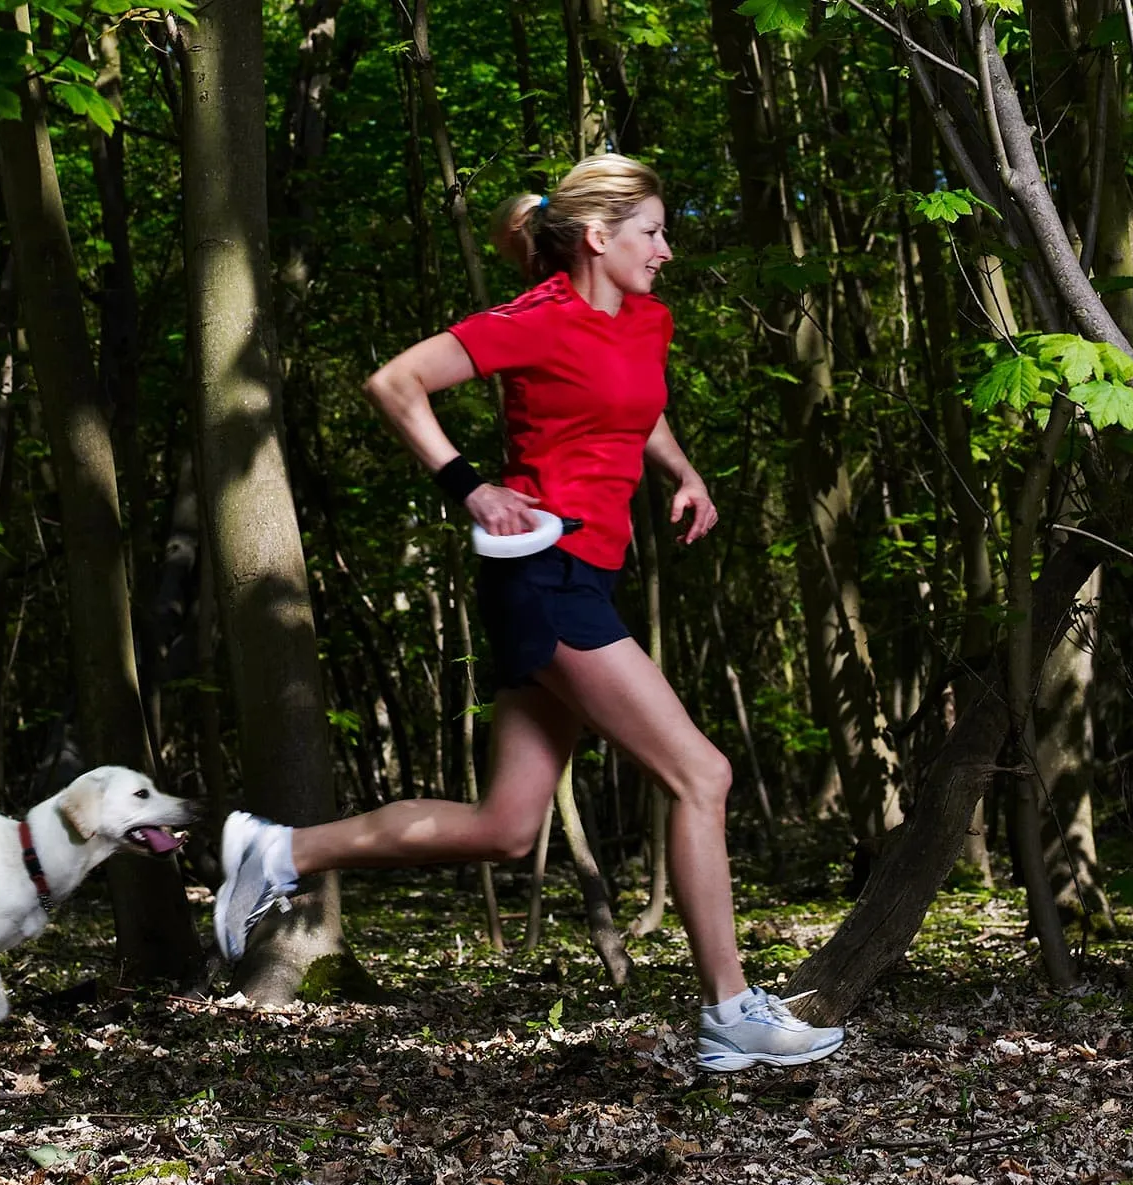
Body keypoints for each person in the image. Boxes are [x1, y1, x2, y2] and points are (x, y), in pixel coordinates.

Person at [214, 154, 844, 1073]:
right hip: (544, 574)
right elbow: (396, 384)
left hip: (588, 573)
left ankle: (279, 850)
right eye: (653, 232)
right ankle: (729, 1011)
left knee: (508, 826)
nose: (667, 251)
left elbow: (639, 406)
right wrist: (470, 489)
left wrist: (684, 472)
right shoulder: (534, 319)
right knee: (702, 775)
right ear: (599, 236)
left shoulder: (645, 318)